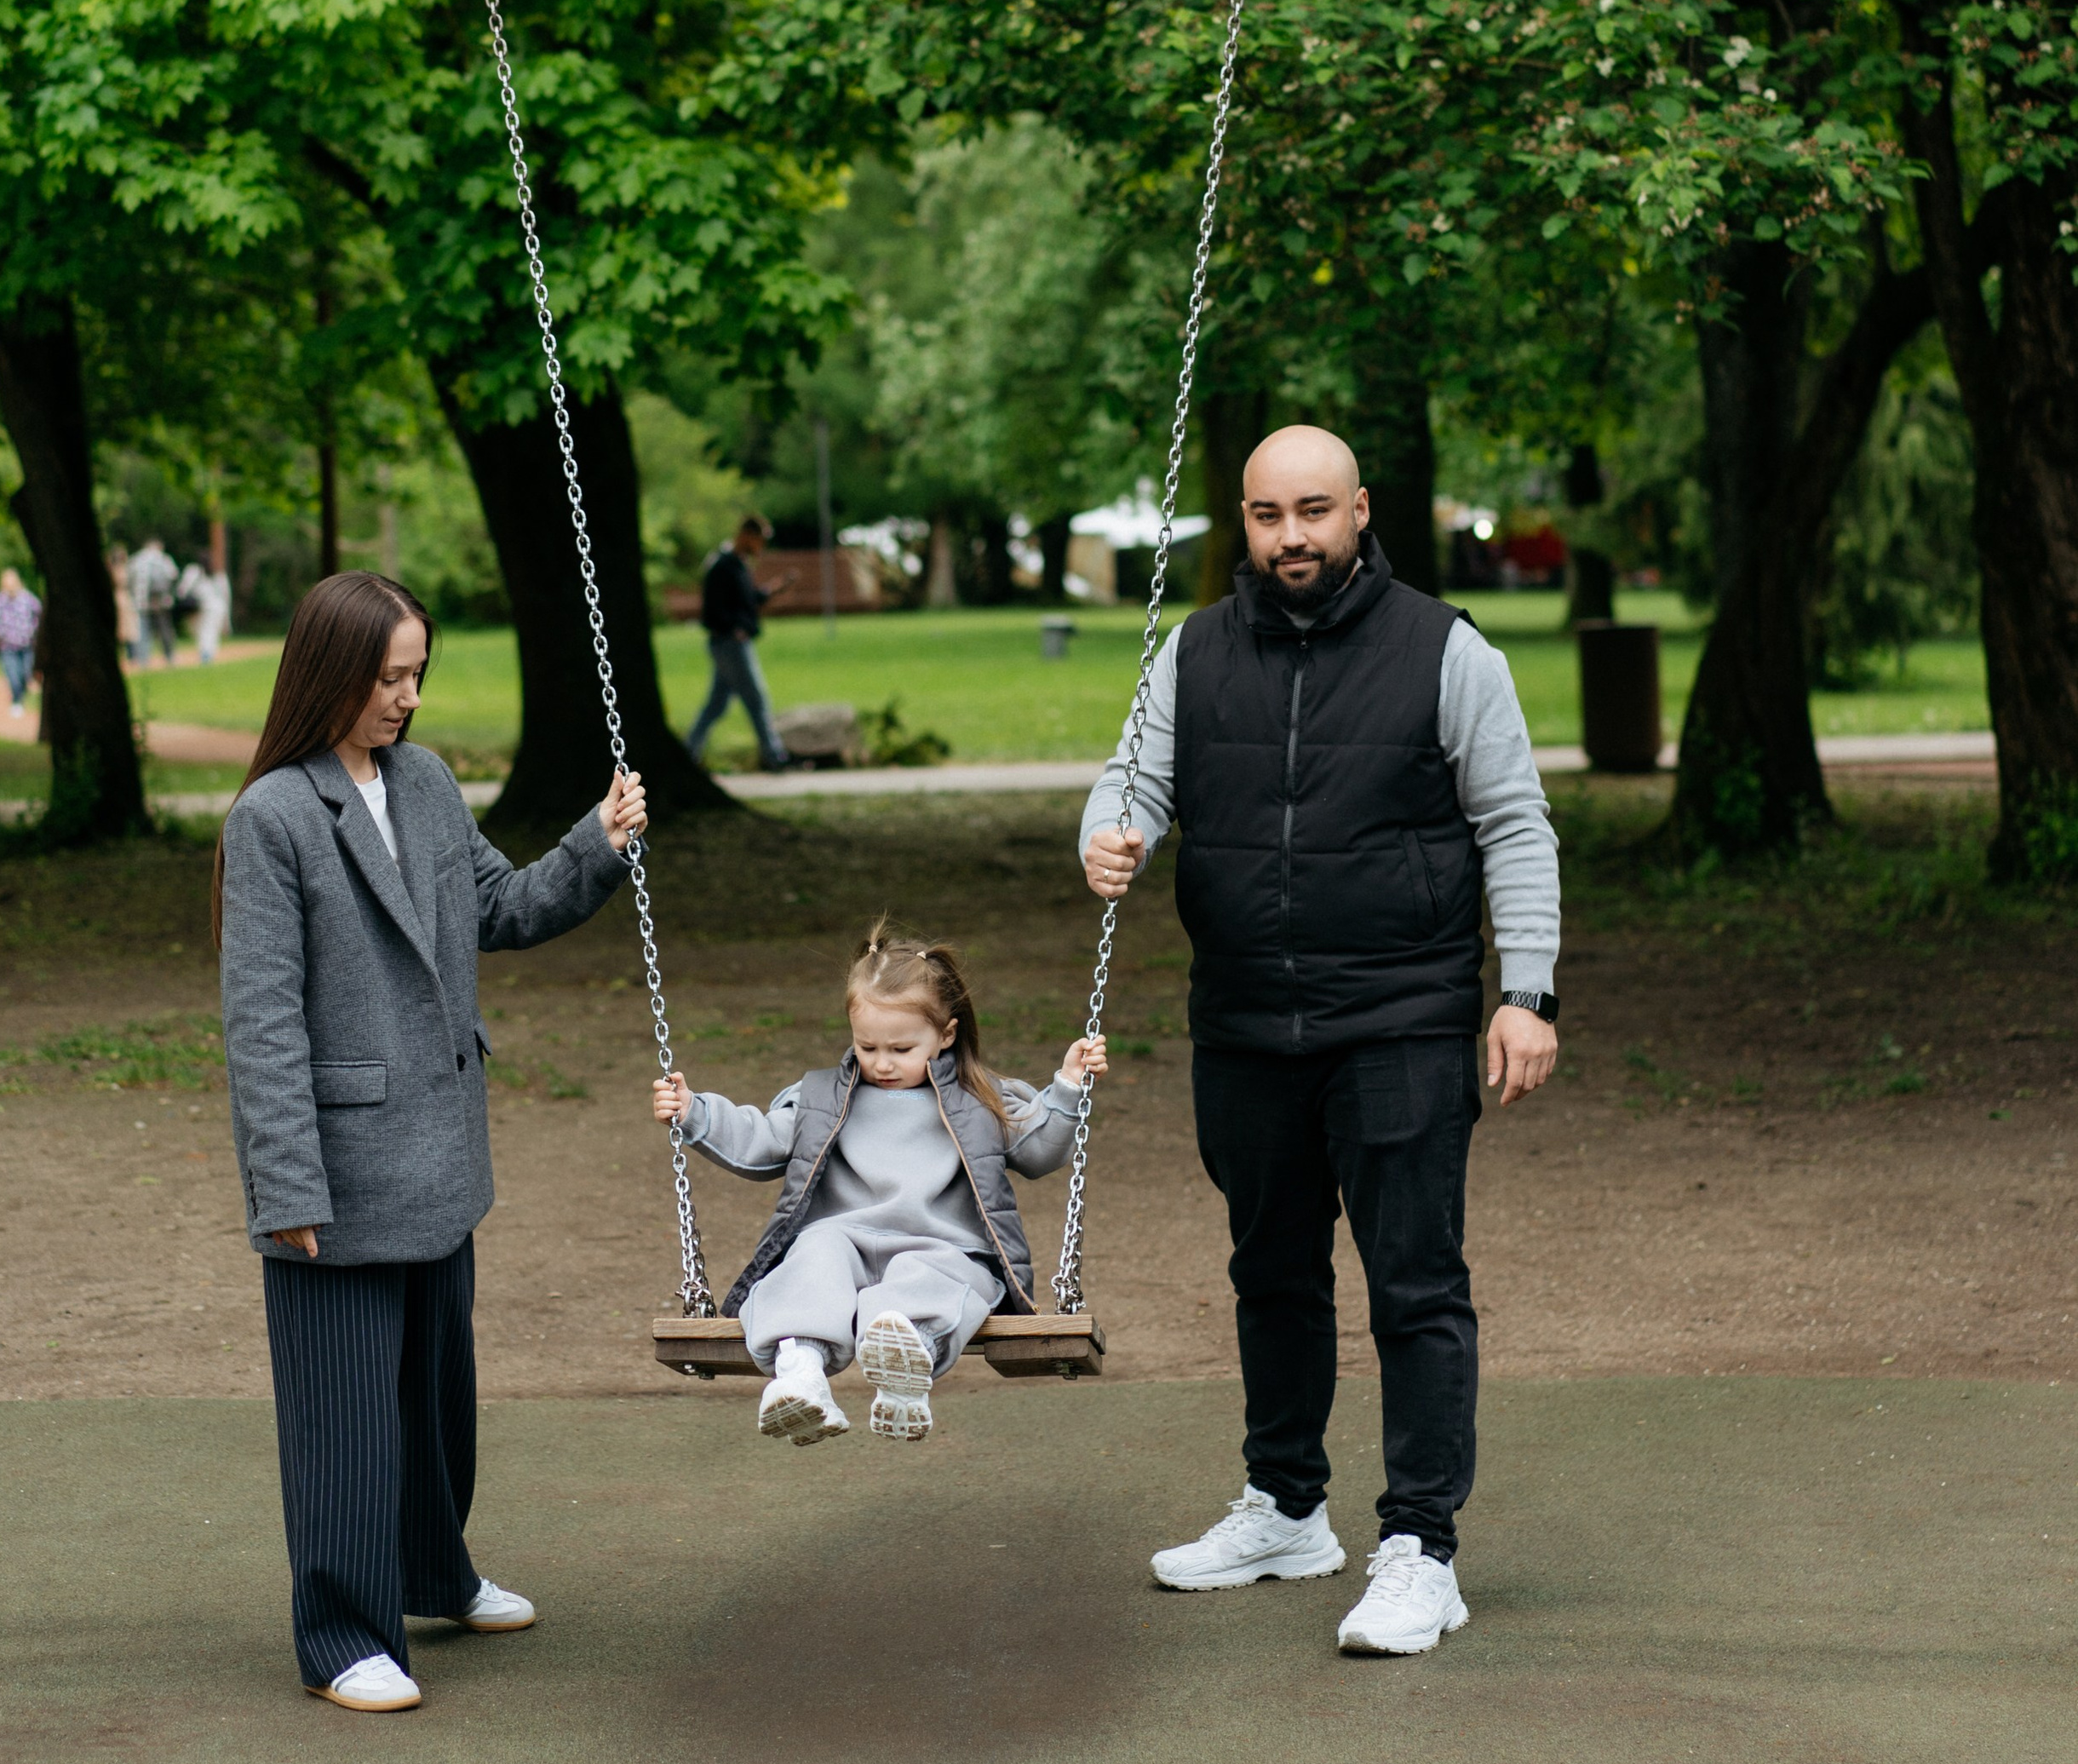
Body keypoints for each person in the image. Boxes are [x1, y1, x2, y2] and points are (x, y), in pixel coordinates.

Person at [1080, 424, 1559, 1660]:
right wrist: (1109, 834)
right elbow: (1129, 784)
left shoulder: (1446, 649)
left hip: (1399, 1014)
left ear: (1359, 510)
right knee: (1272, 1273)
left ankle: (1421, 1550)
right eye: (1264, 515)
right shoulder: (1193, 651)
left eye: (1312, 512)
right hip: (1244, 1019)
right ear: (1240, 522)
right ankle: (1288, 1508)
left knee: (1414, 1282)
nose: (1290, 537)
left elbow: (1515, 822)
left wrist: (1529, 992)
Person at [215, 568, 648, 1715]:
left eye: (417, 675)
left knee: (435, 1399)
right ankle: (342, 1630)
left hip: (440, 1150)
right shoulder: (272, 819)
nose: (407, 697)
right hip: (339, 1168)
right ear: (331, 673)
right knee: (343, 1411)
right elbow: (261, 1019)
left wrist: (597, 842)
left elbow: (501, 910)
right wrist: (284, 1181)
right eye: (388, 676)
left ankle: (434, 1572)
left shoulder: (428, 785)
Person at [654, 922, 1108, 1445]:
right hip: (846, 1243)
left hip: (941, 1246)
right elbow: (760, 1142)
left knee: (927, 1279)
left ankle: (903, 1360)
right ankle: (801, 1372)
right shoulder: (824, 1098)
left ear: (946, 1035)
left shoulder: (981, 1100)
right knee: (812, 1255)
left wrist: (1068, 1087)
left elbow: (1036, 1149)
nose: (883, 1063)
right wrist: (695, 1113)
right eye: (867, 1047)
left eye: (900, 1048)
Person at [686, 513, 795, 772]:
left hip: (732, 643)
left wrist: (773, 590)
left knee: (716, 704)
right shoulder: (722, 565)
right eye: (761, 540)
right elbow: (713, 610)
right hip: (729, 645)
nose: (762, 547)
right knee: (756, 699)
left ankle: (689, 751)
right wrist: (734, 629)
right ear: (747, 535)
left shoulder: (739, 565)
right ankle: (775, 756)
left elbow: (746, 601)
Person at [0, 568, 42, 709]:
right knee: (13, 676)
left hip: (27, 646)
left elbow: (39, 615)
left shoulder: (28, 599)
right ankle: (16, 701)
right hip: (7, 647)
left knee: (25, 675)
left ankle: (19, 698)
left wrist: (33, 632)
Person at [127, 535, 179, 668]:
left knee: (143, 630)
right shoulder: (163, 559)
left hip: (141, 601)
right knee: (165, 629)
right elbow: (173, 575)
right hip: (161, 601)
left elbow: (129, 578)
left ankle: (143, 659)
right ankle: (169, 657)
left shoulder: (136, 559)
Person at [180, 555, 232, 666]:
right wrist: (227, 618)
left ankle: (206, 654)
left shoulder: (192, 571)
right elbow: (226, 595)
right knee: (210, 631)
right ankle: (208, 654)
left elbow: (182, 590)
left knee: (202, 631)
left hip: (199, 606)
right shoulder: (219, 574)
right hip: (217, 607)